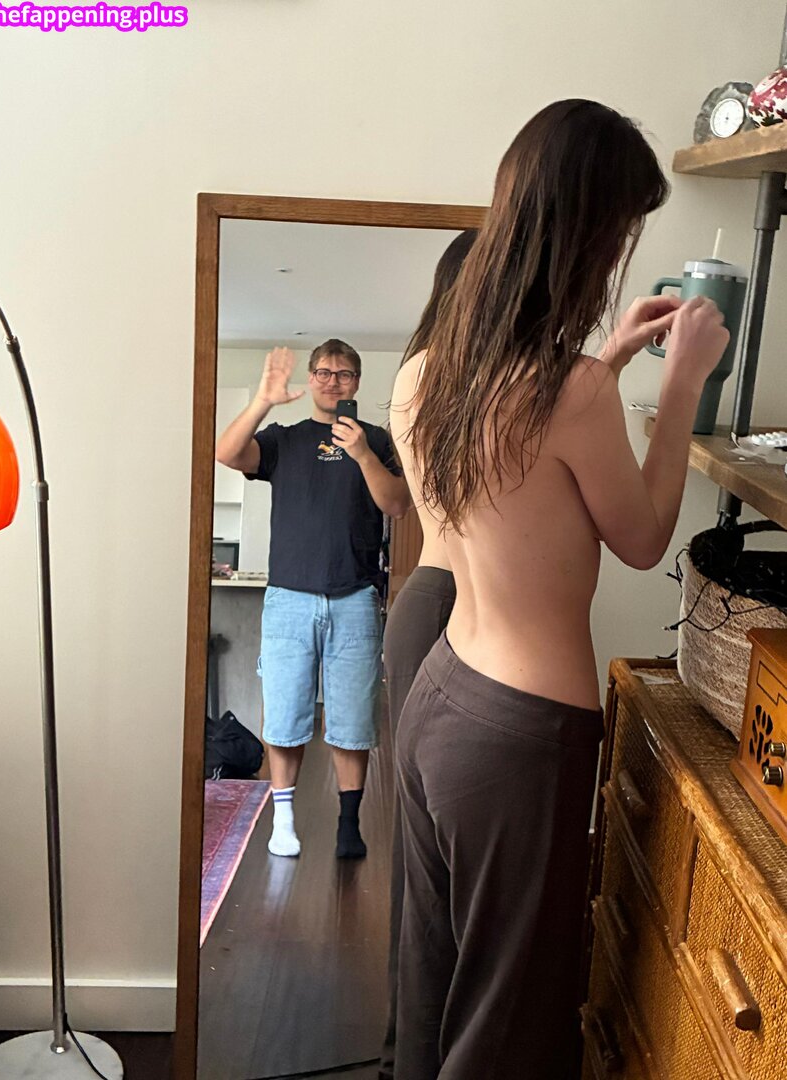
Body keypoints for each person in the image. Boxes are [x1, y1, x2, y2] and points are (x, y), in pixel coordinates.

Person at [394, 99, 730, 1080]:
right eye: (621, 232)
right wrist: (682, 384)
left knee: (434, 991)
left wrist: (611, 357)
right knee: (508, 1023)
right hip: (522, 733)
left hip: (442, 697)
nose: (621, 253)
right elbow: (643, 536)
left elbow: (525, 470)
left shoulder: (427, 373)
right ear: (585, 234)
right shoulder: (569, 393)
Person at [216, 339, 410, 859]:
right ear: (311, 377)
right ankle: (283, 821)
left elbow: (396, 505)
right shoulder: (286, 438)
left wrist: (362, 453)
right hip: (289, 599)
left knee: (353, 719)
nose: (332, 381)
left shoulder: (376, 440)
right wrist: (263, 399)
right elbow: (228, 453)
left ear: (356, 382)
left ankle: (349, 825)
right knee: (284, 716)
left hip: (355, 598)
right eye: (323, 372)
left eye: (343, 374)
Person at [379, 227, 477, 1080]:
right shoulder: (449, 377)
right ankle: (410, 1052)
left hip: (431, 603)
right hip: (440, 602)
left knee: (434, 856)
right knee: (429, 858)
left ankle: (409, 1050)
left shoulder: (430, 373)